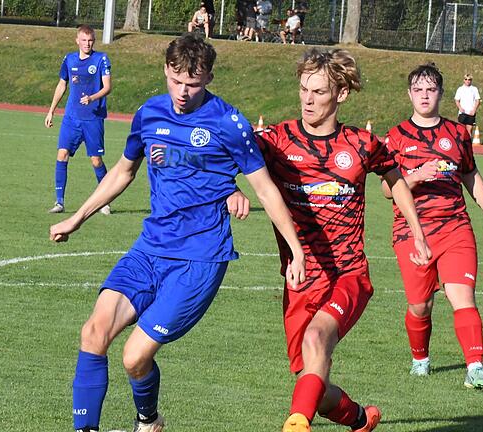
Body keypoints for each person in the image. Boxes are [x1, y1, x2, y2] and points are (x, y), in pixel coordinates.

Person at [49, 33, 306, 432]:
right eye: (176, 80)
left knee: (134, 358)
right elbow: (123, 171)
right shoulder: (149, 114)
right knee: (93, 331)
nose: (183, 92)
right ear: (165, 70)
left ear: (208, 79)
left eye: (193, 84)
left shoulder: (228, 121)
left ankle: (148, 420)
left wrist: (295, 249)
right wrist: (77, 216)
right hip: (150, 248)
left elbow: (266, 188)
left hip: (199, 259)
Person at [254, 48, 431, 432]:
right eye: (303, 89)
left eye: (318, 91)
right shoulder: (276, 140)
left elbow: (396, 180)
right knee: (313, 383)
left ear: (341, 94)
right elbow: (232, 161)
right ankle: (360, 419)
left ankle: (295, 425)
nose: (307, 99)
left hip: (348, 274)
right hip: (300, 279)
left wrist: (417, 232)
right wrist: (230, 192)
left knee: (317, 339)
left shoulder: (363, 144)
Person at [384, 63, 483, 389]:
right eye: (418, 90)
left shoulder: (458, 133)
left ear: (441, 94)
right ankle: (420, 359)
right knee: (420, 305)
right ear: (410, 94)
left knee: (463, 297)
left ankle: (475, 368)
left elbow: (471, 176)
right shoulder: (396, 137)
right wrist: (416, 176)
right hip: (411, 230)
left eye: (431, 90)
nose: (424, 96)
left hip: (455, 227)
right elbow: (387, 189)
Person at [44, 24, 112, 215]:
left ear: (94, 41)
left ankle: (105, 201)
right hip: (71, 118)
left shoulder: (101, 59)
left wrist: (92, 98)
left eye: (90, 40)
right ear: (77, 41)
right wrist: (51, 111)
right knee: (61, 155)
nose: (87, 44)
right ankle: (59, 202)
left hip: (93, 119)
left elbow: (107, 87)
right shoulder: (69, 59)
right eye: (83, 40)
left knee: (96, 160)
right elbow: (61, 84)